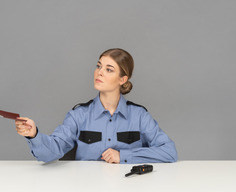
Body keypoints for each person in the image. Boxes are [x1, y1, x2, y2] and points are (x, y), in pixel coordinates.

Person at [15, 48, 177, 164]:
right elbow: (51, 152)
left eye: (109, 69)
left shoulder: (139, 116)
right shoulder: (79, 115)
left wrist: (124, 156)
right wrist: (34, 134)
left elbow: (169, 152)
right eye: (99, 66)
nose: (99, 72)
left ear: (122, 79)